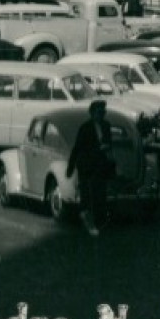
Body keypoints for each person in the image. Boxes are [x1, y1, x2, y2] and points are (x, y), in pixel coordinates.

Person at [66, 100, 115, 236]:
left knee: (100, 194)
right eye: (99, 112)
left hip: (100, 164)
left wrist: (106, 148)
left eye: (103, 112)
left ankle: (99, 221)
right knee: (88, 194)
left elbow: (109, 142)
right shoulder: (85, 128)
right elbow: (78, 148)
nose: (102, 115)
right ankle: (88, 221)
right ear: (93, 113)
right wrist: (70, 166)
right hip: (87, 165)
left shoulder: (106, 126)